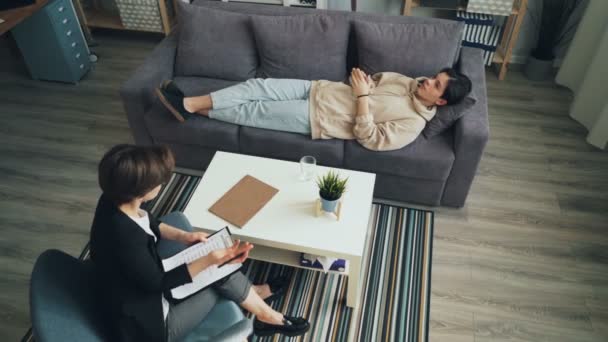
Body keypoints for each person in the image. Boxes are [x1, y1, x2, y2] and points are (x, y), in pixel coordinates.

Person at [89, 144, 310, 342]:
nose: (162, 185)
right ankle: (266, 315)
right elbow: (157, 283)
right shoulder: (124, 236)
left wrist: (185, 237)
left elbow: (149, 221)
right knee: (217, 269)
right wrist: (208, 260)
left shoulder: (116, 196)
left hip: (143, 284)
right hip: (151, 323)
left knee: (215, 263)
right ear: (143, 191)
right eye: (159, 183)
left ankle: (258, 302)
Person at [155, 67, 472, 151]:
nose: (428, 81)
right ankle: (188, 105)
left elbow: (371, 139)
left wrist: (363, 99)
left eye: (436, 85)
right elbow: (375, 80)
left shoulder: (412, 124)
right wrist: (364, 82)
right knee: (256, 87)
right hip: (319, 88)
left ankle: (186, 106)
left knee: (254, 111)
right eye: (434, 77)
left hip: (317, 118)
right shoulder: (407, 83)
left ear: (441, 102)